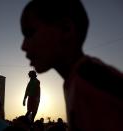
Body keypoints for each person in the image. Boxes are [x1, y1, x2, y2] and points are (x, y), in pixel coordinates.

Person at [20, 0, 123, 130]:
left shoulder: (90, 82)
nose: (23, 46)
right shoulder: (76, 80)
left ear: (66, 29)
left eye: (30, 33)